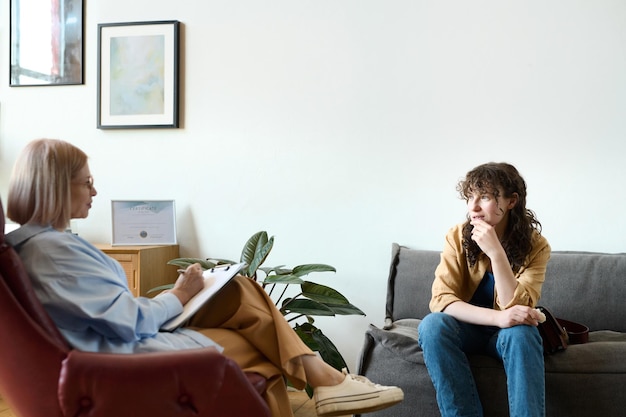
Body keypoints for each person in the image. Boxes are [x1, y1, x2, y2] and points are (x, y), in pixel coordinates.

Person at [5, 138, 404, 417]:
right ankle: (327, 382)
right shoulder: (53, 252)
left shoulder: (43, 245)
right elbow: (126, 321)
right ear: (57, 186)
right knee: (262, 353)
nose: (95, 190)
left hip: (113, 348)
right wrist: (179, 295)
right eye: (86, 181)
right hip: (120, 362)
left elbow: (110, 312)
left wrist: (186, 294)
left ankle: (327, 382)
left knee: (240, 290)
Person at [417, 162, 551, 417]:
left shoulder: (537, 245)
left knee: (523, 333)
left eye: (485, 197)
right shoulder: (457, 236)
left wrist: (496, 252)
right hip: (465, 330)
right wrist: (499, 318)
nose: (473, 207)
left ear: (511, 201)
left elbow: (517, 307)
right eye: (470, 197)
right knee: (432, 325)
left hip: (507, 337)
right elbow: (442, 300)